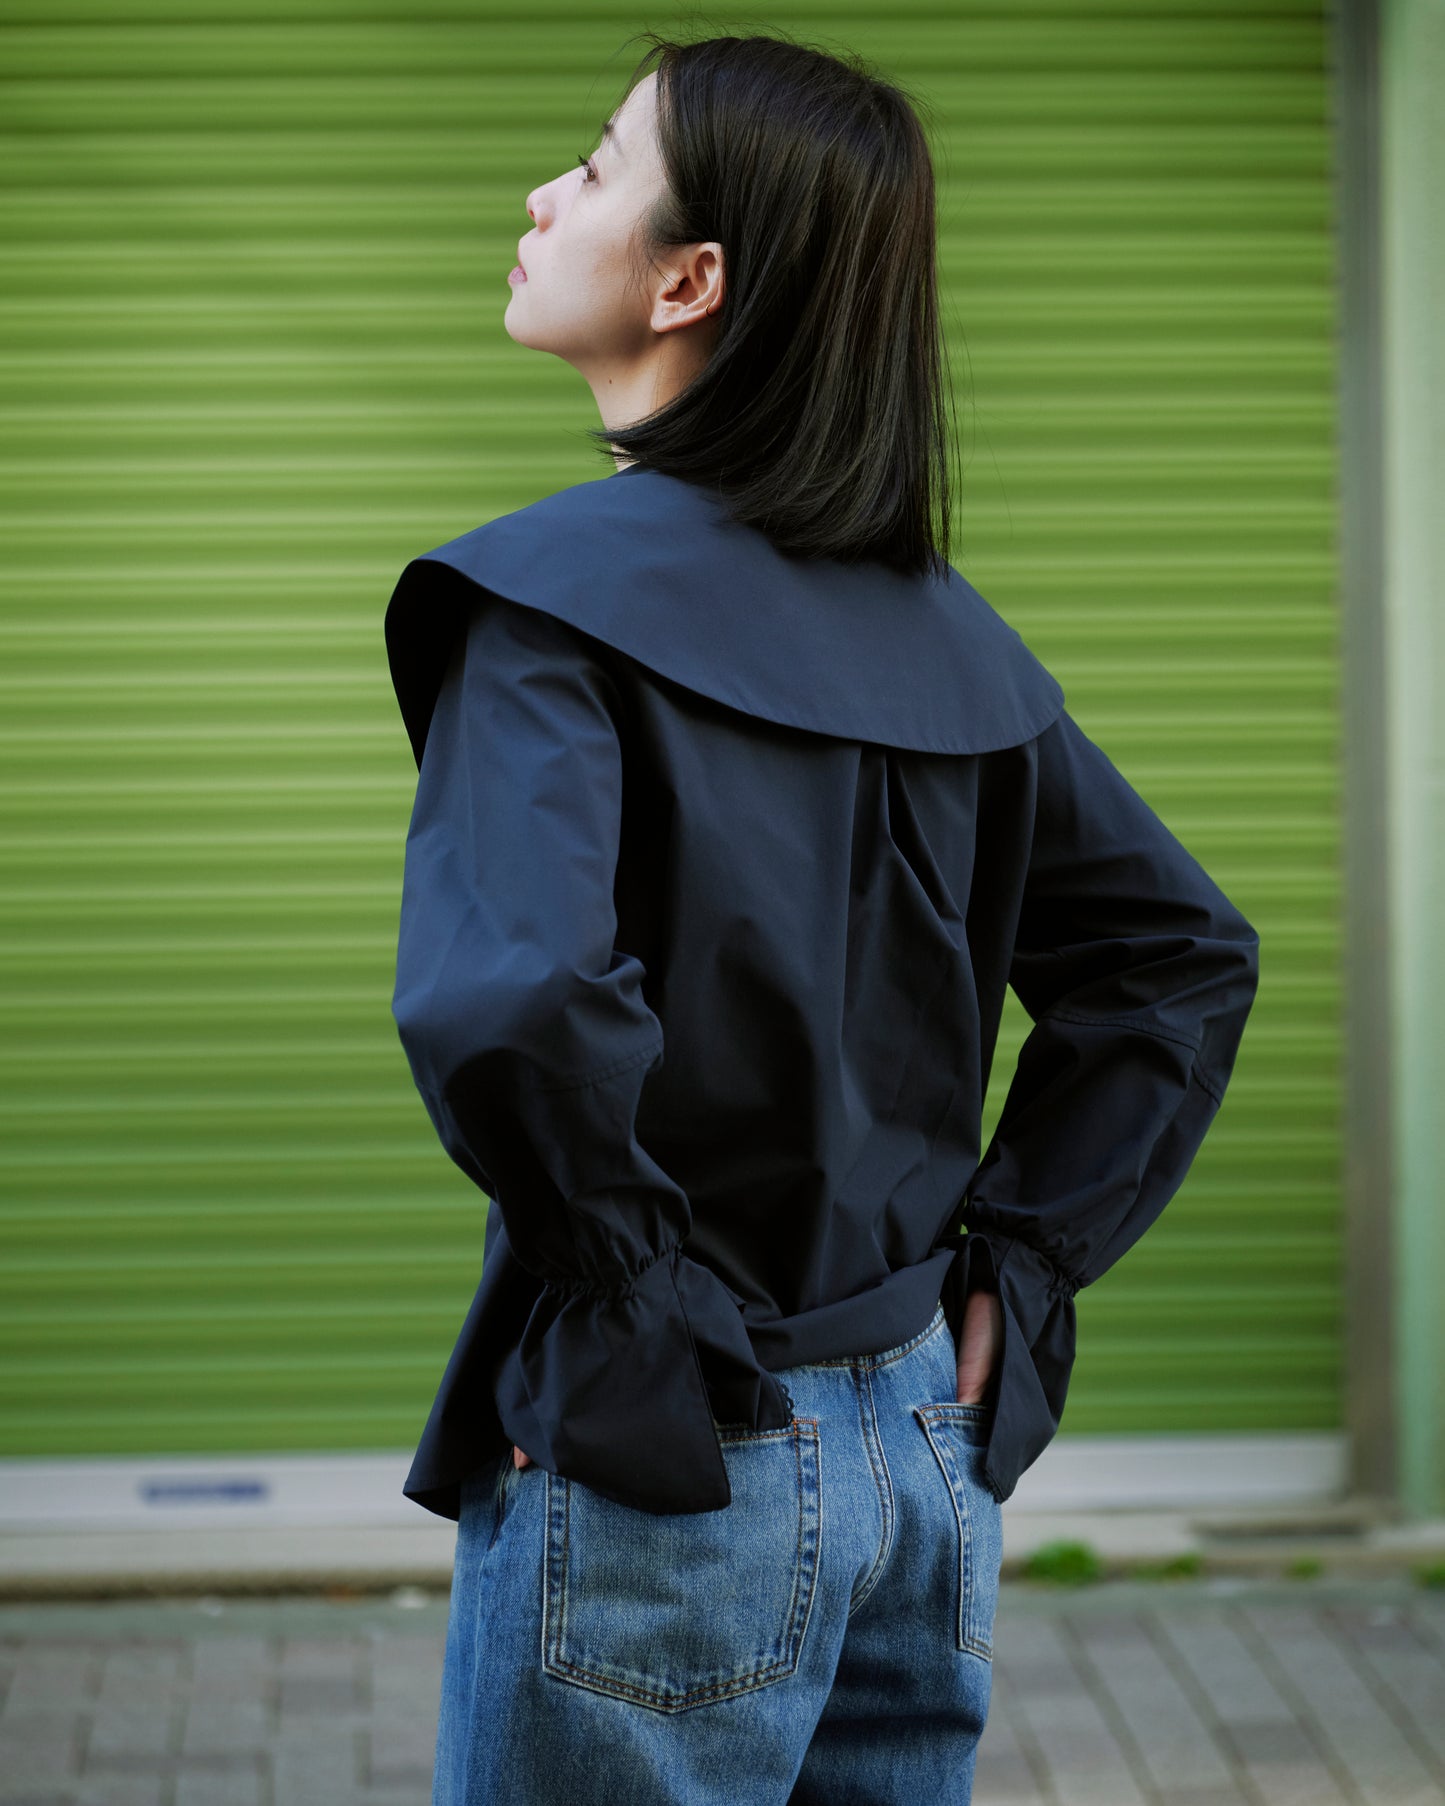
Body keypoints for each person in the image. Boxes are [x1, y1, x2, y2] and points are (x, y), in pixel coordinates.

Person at [383, 30, 1261, 1806]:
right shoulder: (950, 635)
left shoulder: (536, 606)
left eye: (596, 162)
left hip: (673, 1455)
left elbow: (513, 1001)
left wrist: (639, 1293)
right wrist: (1022, 1258)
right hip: (913, 1454)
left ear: (688, 278)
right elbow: (1177, 957)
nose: (543, 196)